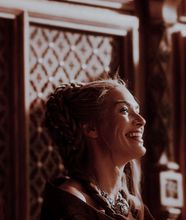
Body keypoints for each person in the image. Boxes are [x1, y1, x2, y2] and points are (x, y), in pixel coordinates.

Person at [40, 77, 155, 220]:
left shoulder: (136, 208)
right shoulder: (70, 203)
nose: (141, 120)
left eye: (137, 110)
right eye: (124, 110)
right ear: (91, 128)